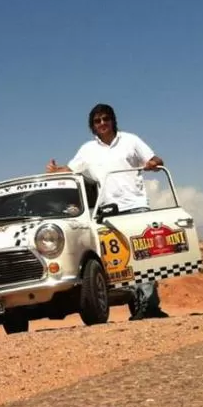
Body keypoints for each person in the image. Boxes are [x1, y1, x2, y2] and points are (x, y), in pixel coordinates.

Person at [46, 103, 168, 320]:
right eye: (97, 121)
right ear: (92, 126)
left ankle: (149, 306)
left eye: (105, 119)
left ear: (113, 120)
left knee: (144, 258)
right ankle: (140, 304)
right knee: (119, 260)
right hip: (107, 211)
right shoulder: (87, 150)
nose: (102, 123)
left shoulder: (131, 140)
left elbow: (157, 159)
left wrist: (153, 163)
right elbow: (71, 169)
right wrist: (56, 170)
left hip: (136, 205)